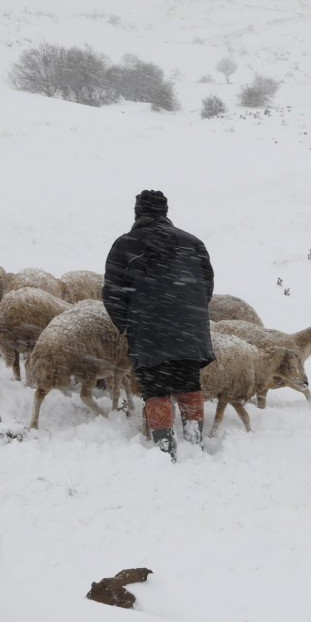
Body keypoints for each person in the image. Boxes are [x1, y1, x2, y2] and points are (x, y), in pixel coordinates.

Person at [104, 190, 215, 461]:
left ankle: (166, 451)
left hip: (150, 332)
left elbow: (113, 293)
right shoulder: (193, 243)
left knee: (156, 389)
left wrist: (127, 325)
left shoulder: (126, 244)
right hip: (189, 329)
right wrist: (190, 315)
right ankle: (194, 442)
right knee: (189, 383)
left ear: (137, 212)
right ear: (165, 212)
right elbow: (207, 285)